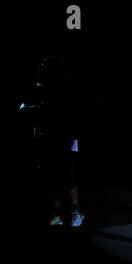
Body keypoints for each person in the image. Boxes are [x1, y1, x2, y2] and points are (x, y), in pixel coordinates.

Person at [18, 56, 85, 227]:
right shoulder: (39, 90)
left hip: (69, 138)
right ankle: (58, 213)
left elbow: (76, 112)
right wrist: (40, 109)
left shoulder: (67, 88)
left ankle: (76, 210)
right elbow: (23, 109)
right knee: (51, 177)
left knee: (68, 176)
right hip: (47, 138)